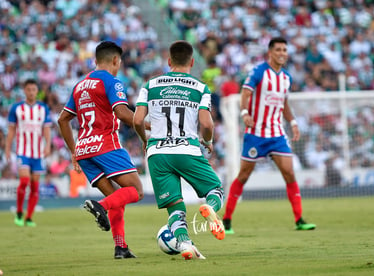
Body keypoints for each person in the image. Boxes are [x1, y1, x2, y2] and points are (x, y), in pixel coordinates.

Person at [134, 40, 225, 260]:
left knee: (175, 208)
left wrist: (144, 141)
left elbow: (137, 120)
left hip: (158, 153)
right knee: (216, 191)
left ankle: (184, 244)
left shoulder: (150, 85)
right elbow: (207, 124)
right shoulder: (201, 88)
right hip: (187, 150)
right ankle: (210, 207)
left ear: (169, 61)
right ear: (192, 62)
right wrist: (208, 141)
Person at [57, 41, 144, 259]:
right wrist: (148, 124)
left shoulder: (80, 85)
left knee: (118, 198)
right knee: (136, 191)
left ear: (96, 60)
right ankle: (100, 207)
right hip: (106, 144)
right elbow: (123, 113)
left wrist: (73, 151)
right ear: (116, 60)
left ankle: (120, 247)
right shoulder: (112, 81)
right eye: (119, 62)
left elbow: (63, 119)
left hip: (85, 150)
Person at [222, 37, 316, 234]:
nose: (282, 53)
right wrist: (245, 114)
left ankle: (299, 219)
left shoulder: (286, 78)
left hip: (277, 134)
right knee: (244, 175)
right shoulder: (258, 72)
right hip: (256, 133)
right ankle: (227, 220)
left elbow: (284, 104)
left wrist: (293, 123)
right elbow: (245, 94)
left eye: (285, 50)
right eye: (279, 50)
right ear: (270, 52)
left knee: (289, 173)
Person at [5, 79, 52, 227]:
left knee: (35, 186)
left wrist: (48, 146)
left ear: (37, 91)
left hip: (38, 153)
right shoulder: (16, 108)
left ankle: (29, 217)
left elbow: (46, 129)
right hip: (22, 151)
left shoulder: (43, 108)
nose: (31, 92)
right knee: (24, 181)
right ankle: (19, 211)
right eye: (29, 89)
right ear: (25, 91)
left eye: (34, 89)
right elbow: (12, 130)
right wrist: (7, 148)